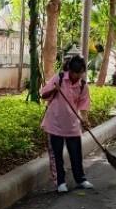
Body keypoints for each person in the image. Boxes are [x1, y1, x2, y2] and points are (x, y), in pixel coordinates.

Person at [40, 54, 93, 193]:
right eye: (75, 73)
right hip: (55, 123)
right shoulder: (59, 78)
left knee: (76, 153)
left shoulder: (83, 85)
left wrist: (84, 119)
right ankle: (60, 182)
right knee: (56, 155)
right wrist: (54, 89)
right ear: (70, 70)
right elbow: (43, 95)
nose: (78, 76)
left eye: (80, 73)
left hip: (72, 124)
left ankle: (80, 179)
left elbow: (83, 104)